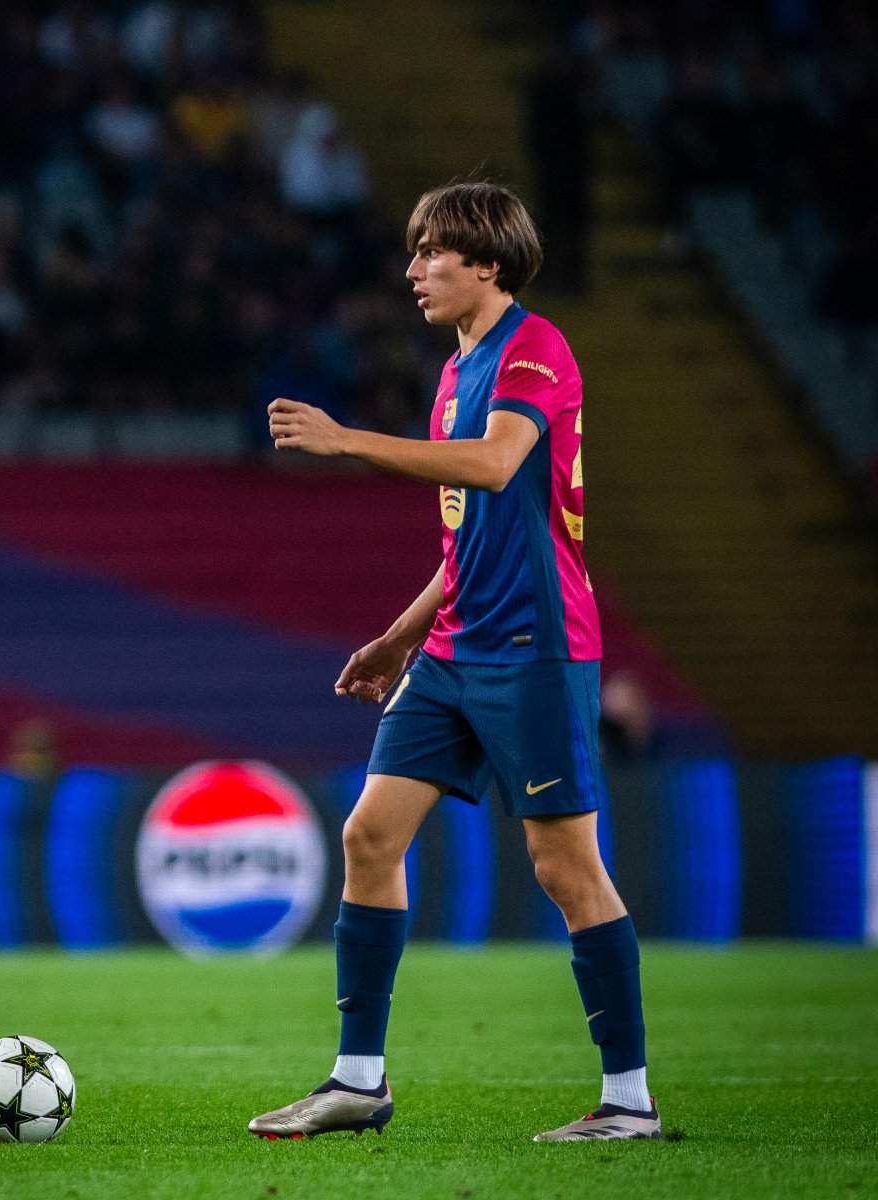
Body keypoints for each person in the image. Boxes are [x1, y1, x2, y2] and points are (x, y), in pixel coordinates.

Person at [248, 181, 660, 1143]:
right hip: (451, 645)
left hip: (536, 645)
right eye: (415, 251)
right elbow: (463, 538)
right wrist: (397, 638)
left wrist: (347, 439)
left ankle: (629, 1100)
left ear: (488, 263)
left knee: (564, 866)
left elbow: (493, 465)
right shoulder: (451, 372)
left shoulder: (536, 350)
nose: (414, 269)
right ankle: (357, 1082)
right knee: (368, 836)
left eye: (432, 251)